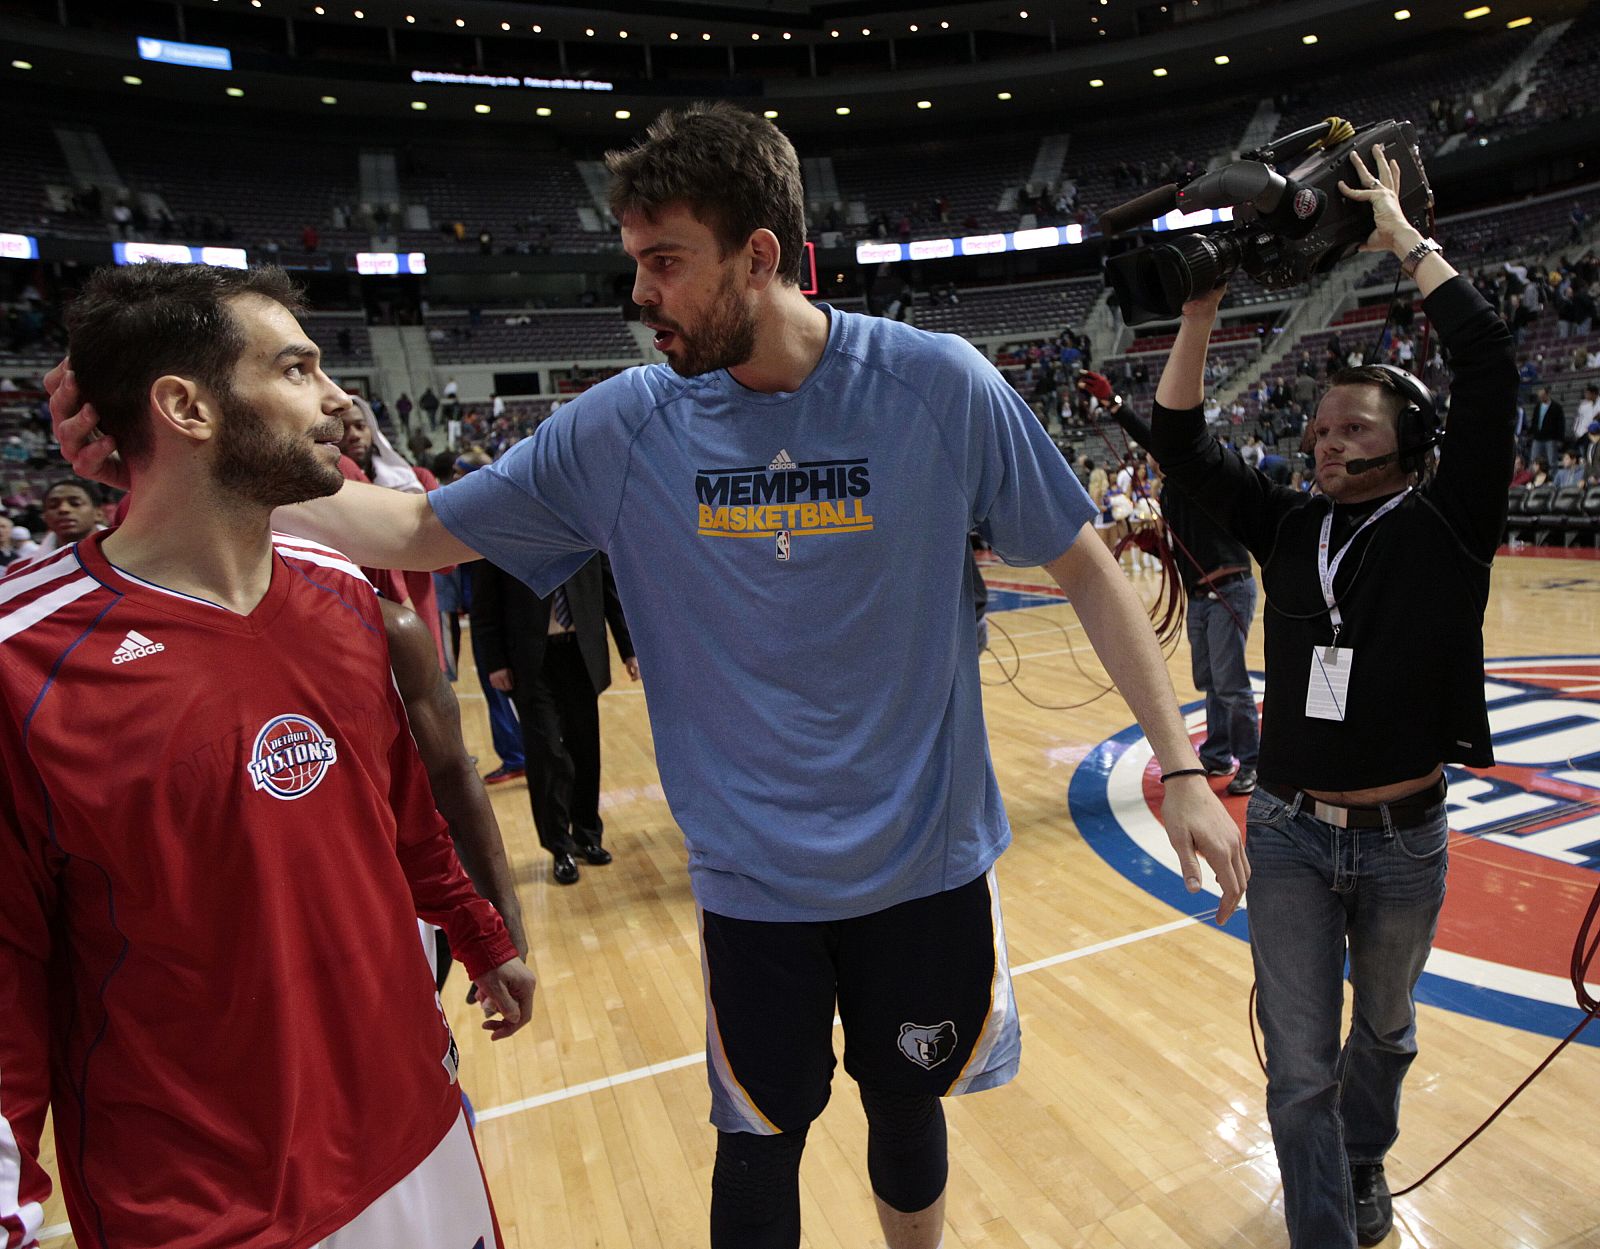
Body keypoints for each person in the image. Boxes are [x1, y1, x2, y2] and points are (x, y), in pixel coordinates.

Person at [51, 102, 1246, 1249]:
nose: (639, 293)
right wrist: (170, 466)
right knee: (756, 1142)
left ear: (757, 255)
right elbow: (418, 534)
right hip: (751, 883)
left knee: (906, 1108)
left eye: (666, 261)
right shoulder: (624, 424)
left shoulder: (936, 385)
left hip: (926, 864)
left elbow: (1085, 566)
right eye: (634, 259)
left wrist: (1181, 767)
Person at [5, 262, 536, 1249]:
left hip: (416, 1129)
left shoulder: (341, 597)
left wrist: (477, 926)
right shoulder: (22, 661)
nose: (338, 401)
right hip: (207, 1203)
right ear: (186, 407)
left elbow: (402, 817)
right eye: (296, 369)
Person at [1141, 143, 1516, 1249]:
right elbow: (1179, 442)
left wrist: (1399, 234)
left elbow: (1488, 364)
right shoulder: (1292, 524)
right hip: (1297, 837)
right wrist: (1199, 311)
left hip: (1406, 839)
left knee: (1387, 1036)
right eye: (1316, 430)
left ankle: (1362, 1161)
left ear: (1412, 444)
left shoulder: (1450, 523)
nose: (1325, 442)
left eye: (1352, 428)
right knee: (1299, 1064)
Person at [1111, 399, 1259, 795]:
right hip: (1201, 595)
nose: (1153, 458)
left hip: (1228, 587)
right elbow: (1181, 550)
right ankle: (1217, 753)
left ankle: (1253, 761)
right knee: (1211, 681)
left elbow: (1162, 444)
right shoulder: (1172, 497)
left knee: (1229, 683)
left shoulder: (1199, 478)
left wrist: (1118, 409)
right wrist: (1153, 545)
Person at [472, 555, 638, 884]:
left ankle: (588, 835)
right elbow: (484, 604)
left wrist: (628, 648)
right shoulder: (503, 529)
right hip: (531, 660)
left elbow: (610, 589)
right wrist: (494, 661)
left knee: (585, 748)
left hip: (581, 652)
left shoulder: (582, 523)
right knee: (547, 752)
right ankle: (559, 846)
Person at [37, 476, 106, 550]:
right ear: (44, 517)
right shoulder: (30, 561)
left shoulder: (119, 553)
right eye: (53, 505)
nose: (63, 509)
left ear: (99, 513)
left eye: (75, 503)